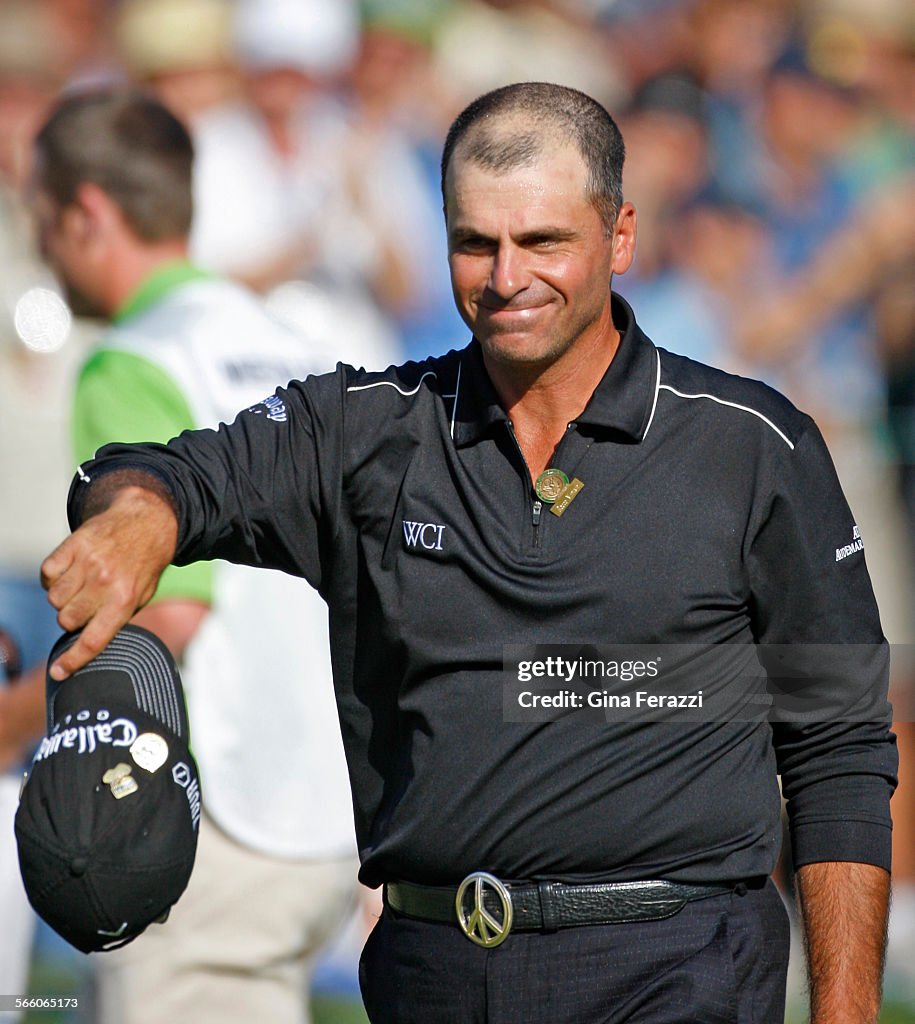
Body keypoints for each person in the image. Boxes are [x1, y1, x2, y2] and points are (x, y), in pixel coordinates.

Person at [39, 82, 897, 1024]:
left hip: (678, 970)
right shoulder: (366, 430)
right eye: (473, 243)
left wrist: (844, 1013)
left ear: (619, 236)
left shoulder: (752, 447)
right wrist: (139, 515)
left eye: (542, 243)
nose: (504, 276)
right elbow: (170, 472)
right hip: (431, 972)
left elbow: (839, 746)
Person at [29, 89, 362, 1024]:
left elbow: (159, 621)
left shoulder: (134, 360)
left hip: (201, 822)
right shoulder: (298, 345)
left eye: (38, 218)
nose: (40, 245)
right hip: (321, 821)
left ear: (87, 212)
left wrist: (12, 714)